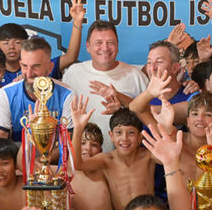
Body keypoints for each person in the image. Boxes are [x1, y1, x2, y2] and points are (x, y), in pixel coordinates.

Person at [62, 21, 149, 151]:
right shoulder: (73, 73)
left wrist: (121, 108)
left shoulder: (136, 76)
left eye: (110, 42)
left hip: (125, 162)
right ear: (88, 46)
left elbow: (149, 115)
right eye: (98, 43)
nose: (105, 48)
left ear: (117, 46)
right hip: (84, 160)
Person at [71, 102, 156, 210]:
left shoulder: (149, 155)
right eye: (119, 133)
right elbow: (78, 164)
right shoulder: (107, 160)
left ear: (140, 137)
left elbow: (171, 153)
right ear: (111, 136)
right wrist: (78, 128)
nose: (124, 138)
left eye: (131, 133)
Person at [0, 38, 76, 144]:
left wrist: (46, 158)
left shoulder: (67, 95)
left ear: (50, 67)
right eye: (24, 66)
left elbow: (66, 143)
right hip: (19, 156)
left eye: (36, 66)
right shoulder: (5, 94)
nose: (29, 73)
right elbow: (0, 138)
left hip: (55, 157)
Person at [70, 123, 116, 210]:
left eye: (94, 145)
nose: (87, 148)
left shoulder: (105, 170)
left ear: (100, 150)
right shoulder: (62, 174)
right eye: (82, 143)